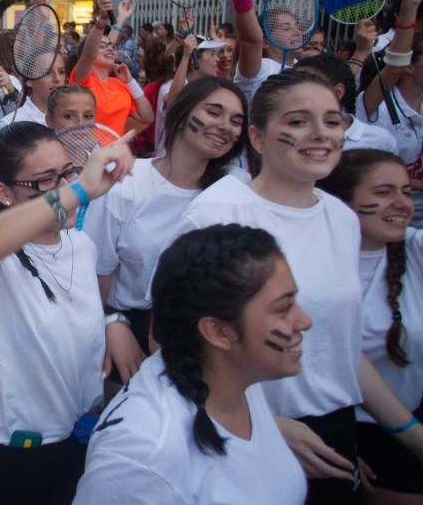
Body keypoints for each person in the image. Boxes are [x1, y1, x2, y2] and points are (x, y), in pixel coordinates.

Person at [178, 70, 423, 503]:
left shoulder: (342, 219)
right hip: (247, 436)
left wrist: (410, 433)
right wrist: (264, 425)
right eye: (296, 121)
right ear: (257, 137)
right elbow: (173, 345)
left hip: (334, 435)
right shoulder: (217, 214)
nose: (319, 134)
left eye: (332, 120)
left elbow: (341, 349)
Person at [0, 122, 135, 504]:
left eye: (68, 172)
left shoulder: (81, 246)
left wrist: (113, 321)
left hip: (75, 442)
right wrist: (77, 190)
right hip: (3, 460)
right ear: (3, 192)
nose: (64, 186)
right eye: (46, 180)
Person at [75, 224, 310, 504]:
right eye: (283, 309)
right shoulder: (141, 456)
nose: (305, 321)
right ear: (219, 332)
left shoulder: (234, 379)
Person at [88, 77, 248, 391]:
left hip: (213, 341)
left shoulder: (238, 187)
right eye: (214, 112)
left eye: (236, 120)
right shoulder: (127, 182)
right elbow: (94, 272)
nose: (225, 126)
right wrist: (109, 323)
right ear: (181, 112)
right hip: (128, 333)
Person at [317, 150, 423, 501]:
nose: (401, 203)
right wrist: (339, 443)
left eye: (406, 191)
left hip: (413, 417)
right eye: (383, 192)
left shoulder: (414, 250)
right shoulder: (311, 264)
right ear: (342, 203)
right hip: (349, 431)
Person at [356, 0, 423, 225]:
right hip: (385, 221)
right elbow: (394, 63)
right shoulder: (376, 105)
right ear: (408, 67)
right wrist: (410, 6)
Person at [70, 0, 155, 135]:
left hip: (116, 154)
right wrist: (102, 20)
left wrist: (130, 82)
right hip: (88, 153)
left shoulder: (120, 85)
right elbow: (89, 54)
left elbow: (148, 117)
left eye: (113, 47)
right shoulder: (83, 81)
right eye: (102, 46)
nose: (109, 49)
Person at [293, 54, 398, 155]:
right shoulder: (287, 136)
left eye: (307, 84)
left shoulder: (379, 141)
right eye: (293, 84)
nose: (296, 91)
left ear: (338, 92)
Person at [154, 35, 226, 158]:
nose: (217, 59)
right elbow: (173, 101)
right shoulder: (168, 87)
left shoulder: (208, 90)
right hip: (168, 163)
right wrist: (186, 56)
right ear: (194, 60)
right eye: (212, 54)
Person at [0, 52, 65, 132]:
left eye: (61, 72)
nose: (57, 79)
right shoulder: (12, 125)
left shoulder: (75, 117)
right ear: (29, 80)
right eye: (47, 73)